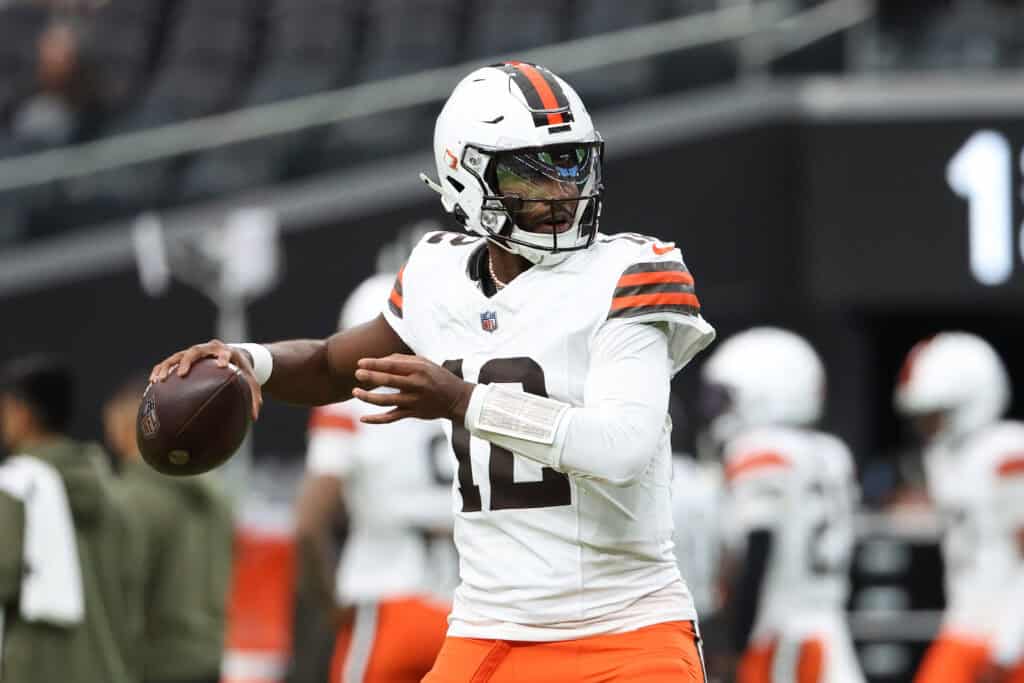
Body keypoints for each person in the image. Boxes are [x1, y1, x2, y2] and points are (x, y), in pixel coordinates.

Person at [151, 61, 716, 683]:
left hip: (623, 630)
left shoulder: (630, 271)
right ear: (463, 174)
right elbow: (331, 365)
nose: (560, 192)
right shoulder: (436, 276)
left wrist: (464, 400)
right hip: (488, 629)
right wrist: (247, 361)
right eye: (529, 173)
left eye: (571, 165)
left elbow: (621, 448)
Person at [295, 273, 455, 683]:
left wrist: (331, 603)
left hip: (384, 596)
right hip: (469, 610)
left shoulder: (349, 403)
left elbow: (309, 523)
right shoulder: (460, 391)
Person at [701, 328, 863, 683]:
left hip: (780, 635)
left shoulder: (760, 451)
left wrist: (734, 642)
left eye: (728, 398)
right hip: (829, 629)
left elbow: (760, 547)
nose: (719, 411)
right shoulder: (832, 453)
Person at [0, 354, 143, 683]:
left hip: (38, 668)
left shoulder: (17, 487)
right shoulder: (112, 490)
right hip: (109, 668)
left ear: (23, 414)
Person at [895, 332, 1024, 683]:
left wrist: (1009, 644)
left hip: (1006, 633)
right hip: (965, 626)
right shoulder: (951, 459)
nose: (928, 426)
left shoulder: (1006, 451)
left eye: (936, 414)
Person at [103, 374, 235, 683]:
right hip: (208, 656)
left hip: (153, 665)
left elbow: (123, 592)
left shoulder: (130, 499)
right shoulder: (216, 497)